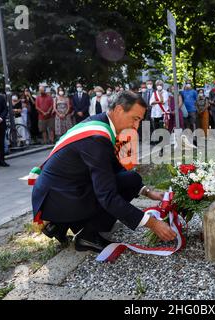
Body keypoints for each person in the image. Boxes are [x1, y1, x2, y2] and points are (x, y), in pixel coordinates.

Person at [32, 91, 176, 251]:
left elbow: (113, 167)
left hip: (62, 190)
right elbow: (107, 196)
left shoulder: (101, 122)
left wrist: (148, 192)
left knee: (132, 179)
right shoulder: (96, 138)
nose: (136, 126)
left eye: (140, 121)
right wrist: (153, 223)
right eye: (135, 119)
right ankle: (87, 236)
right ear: (120, 110)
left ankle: (58, 225)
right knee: (113, 192)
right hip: (58, 198)